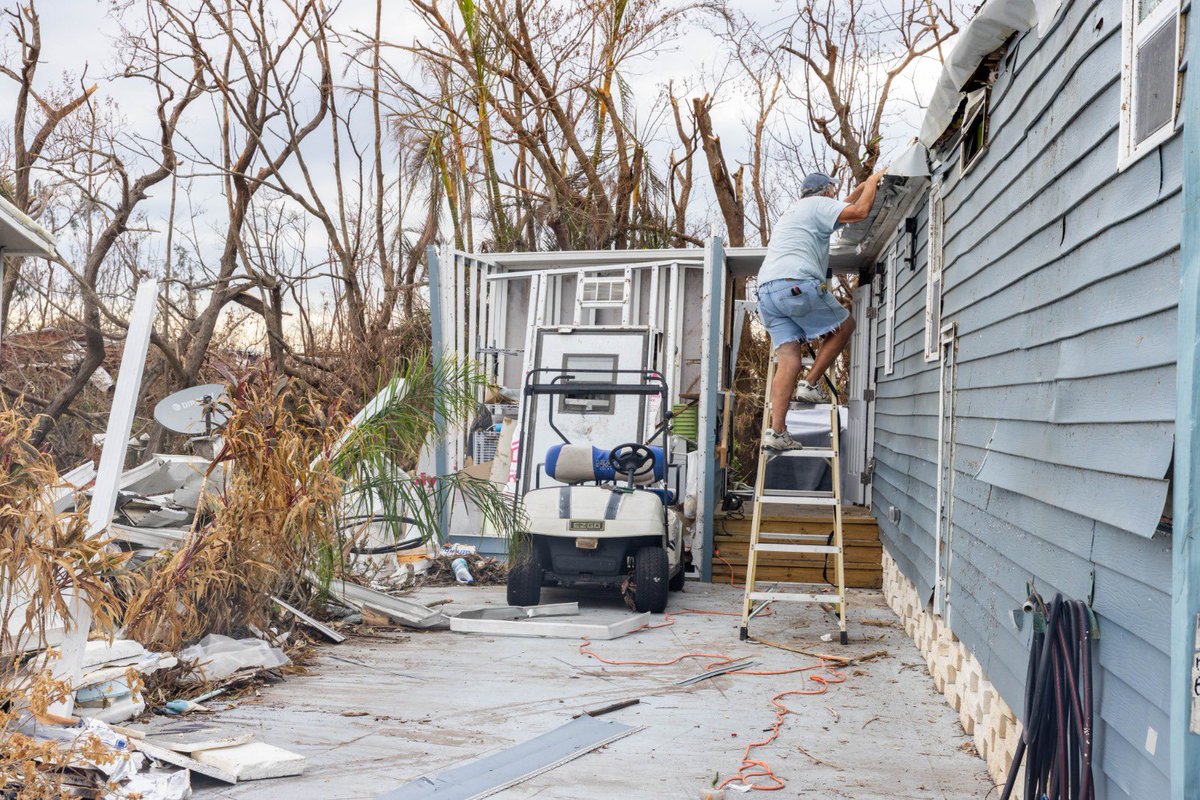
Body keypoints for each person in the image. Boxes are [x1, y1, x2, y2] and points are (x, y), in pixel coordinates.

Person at [757, 169, 887, 451]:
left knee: (789, 360)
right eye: (833, 190)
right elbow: (860, 211)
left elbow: (844, 208)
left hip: (766, 292)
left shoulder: (796, 212)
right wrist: (874, 182)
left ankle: (777, 431)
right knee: (846, 325)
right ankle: (811, 383)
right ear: (827, 191)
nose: (834, 194)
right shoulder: (819, 206)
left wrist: (861, 187)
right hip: (795, 282)